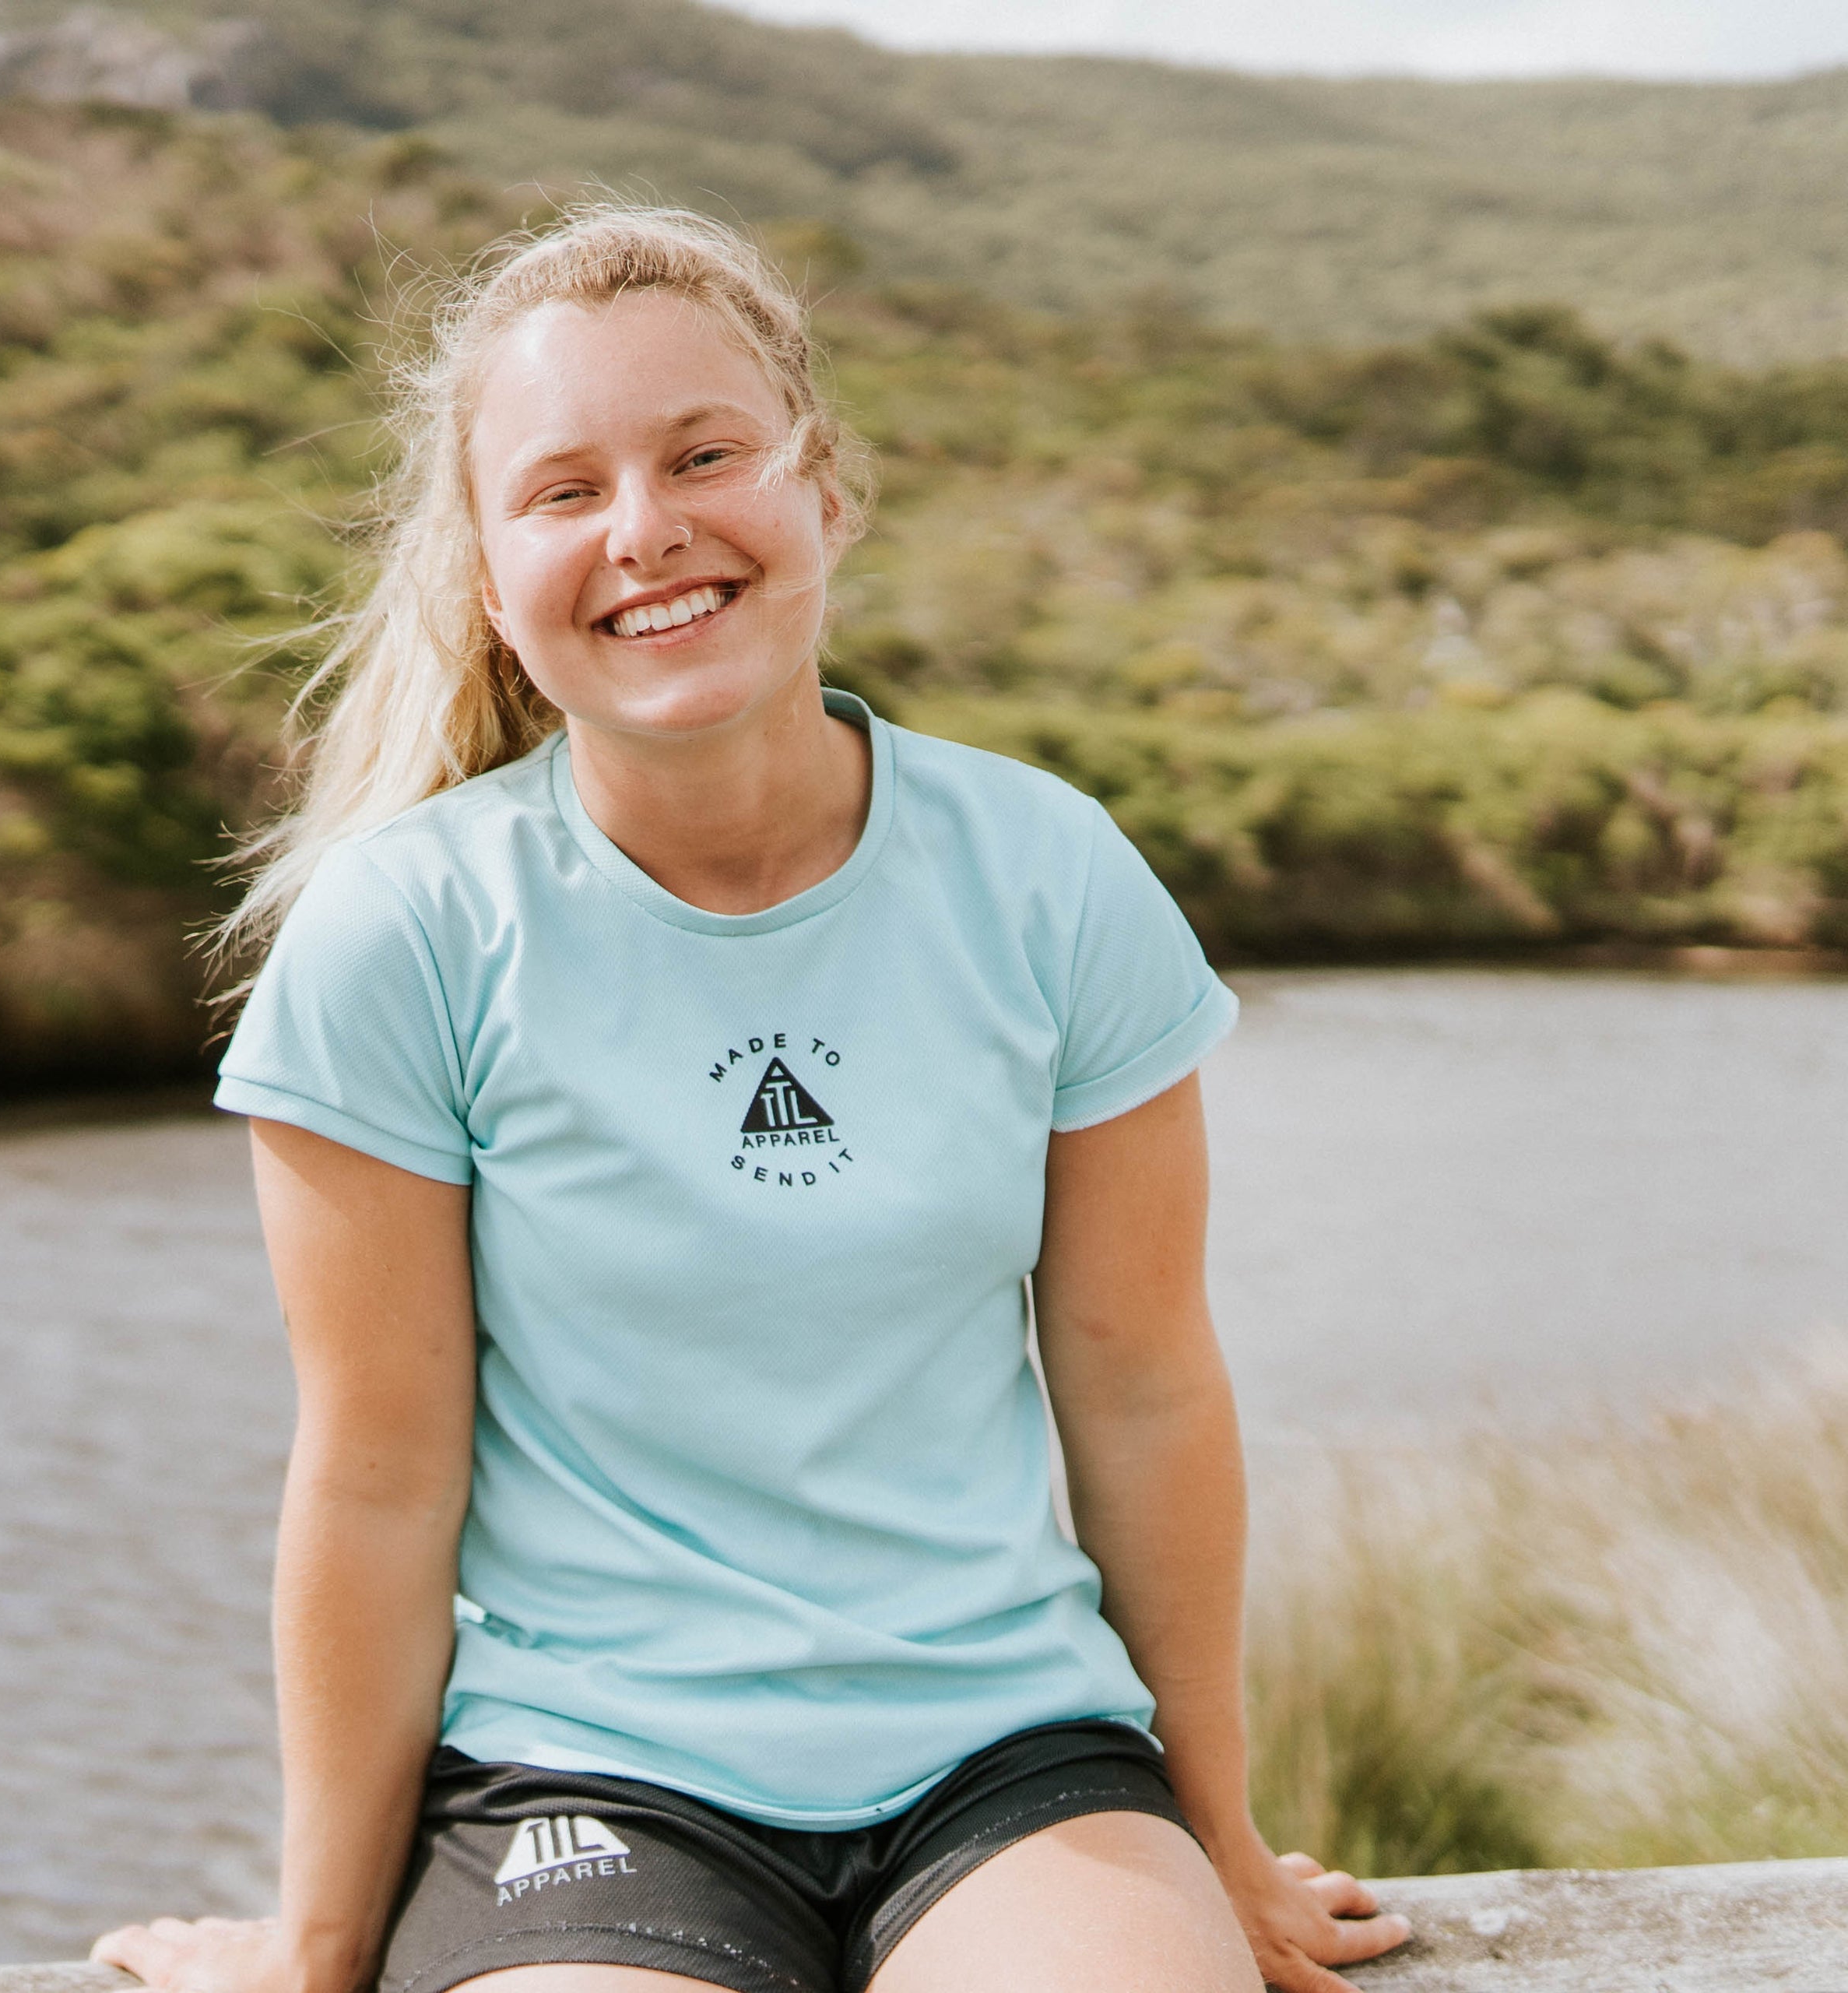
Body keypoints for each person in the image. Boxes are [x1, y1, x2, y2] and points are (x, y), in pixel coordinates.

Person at [93, 206, 1413, 1993]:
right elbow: (380, 1476)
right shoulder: (402, 937)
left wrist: (1223, 1839)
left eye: (706, 454)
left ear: (825, 492)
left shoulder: (1049, 872)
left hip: (1008, 1759)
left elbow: (1145, 1379)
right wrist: (322, 1940)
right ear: (492, 578)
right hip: (590, 1777)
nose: (647, 531)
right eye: (563, 490)